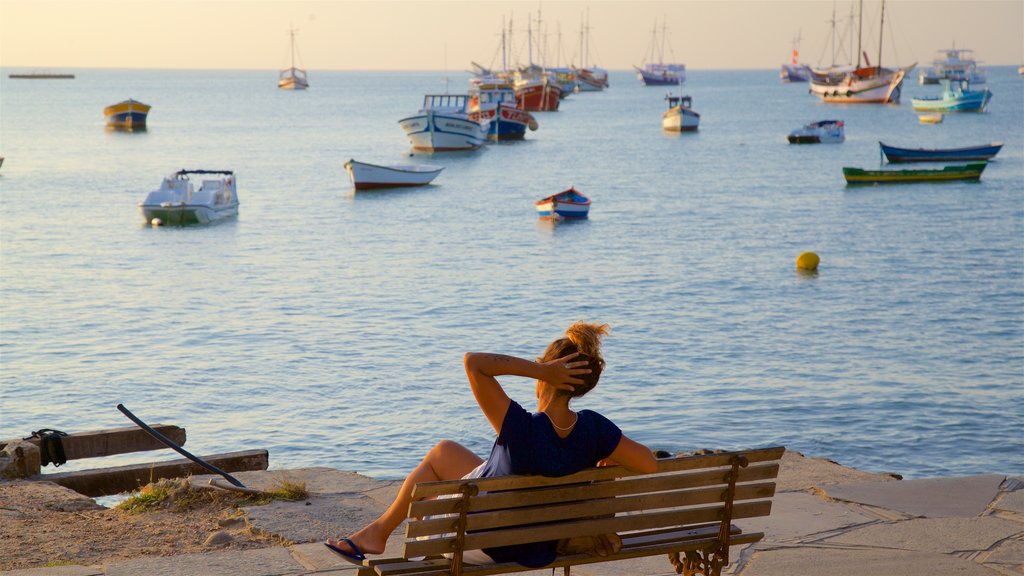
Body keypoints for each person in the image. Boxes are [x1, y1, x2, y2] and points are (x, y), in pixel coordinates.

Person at [325, 321, 657, 568]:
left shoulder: (521, 428)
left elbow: (473, 362)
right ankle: (377, 533)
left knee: (438, 472)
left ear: (549, 375)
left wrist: (538, 368)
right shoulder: (595, 429)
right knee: (448, 453)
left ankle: (378, 534)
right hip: (539, 544)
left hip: (489, 544)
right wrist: (610, 460)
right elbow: (648, 463)